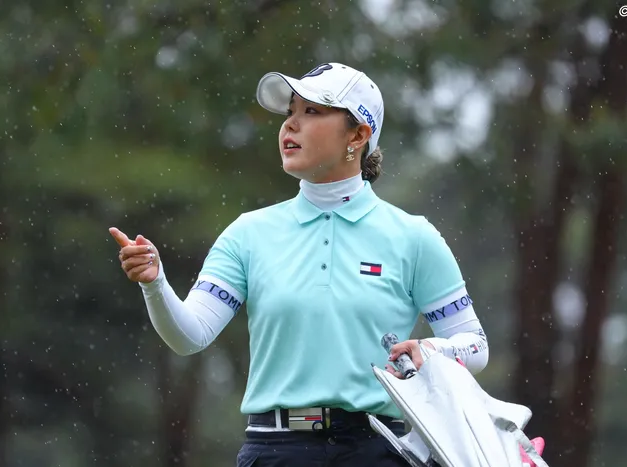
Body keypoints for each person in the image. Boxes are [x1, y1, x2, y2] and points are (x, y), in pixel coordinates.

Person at [109, 62, 490, 467]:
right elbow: (191, 335)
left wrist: (431, 350)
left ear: (358, 135)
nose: (290, 124)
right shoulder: (248, 234)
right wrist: (155, 283)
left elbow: (475, 344)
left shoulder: (414, 237)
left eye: (312, 111)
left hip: (379, 451)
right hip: (275, 450)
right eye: (291, 111)